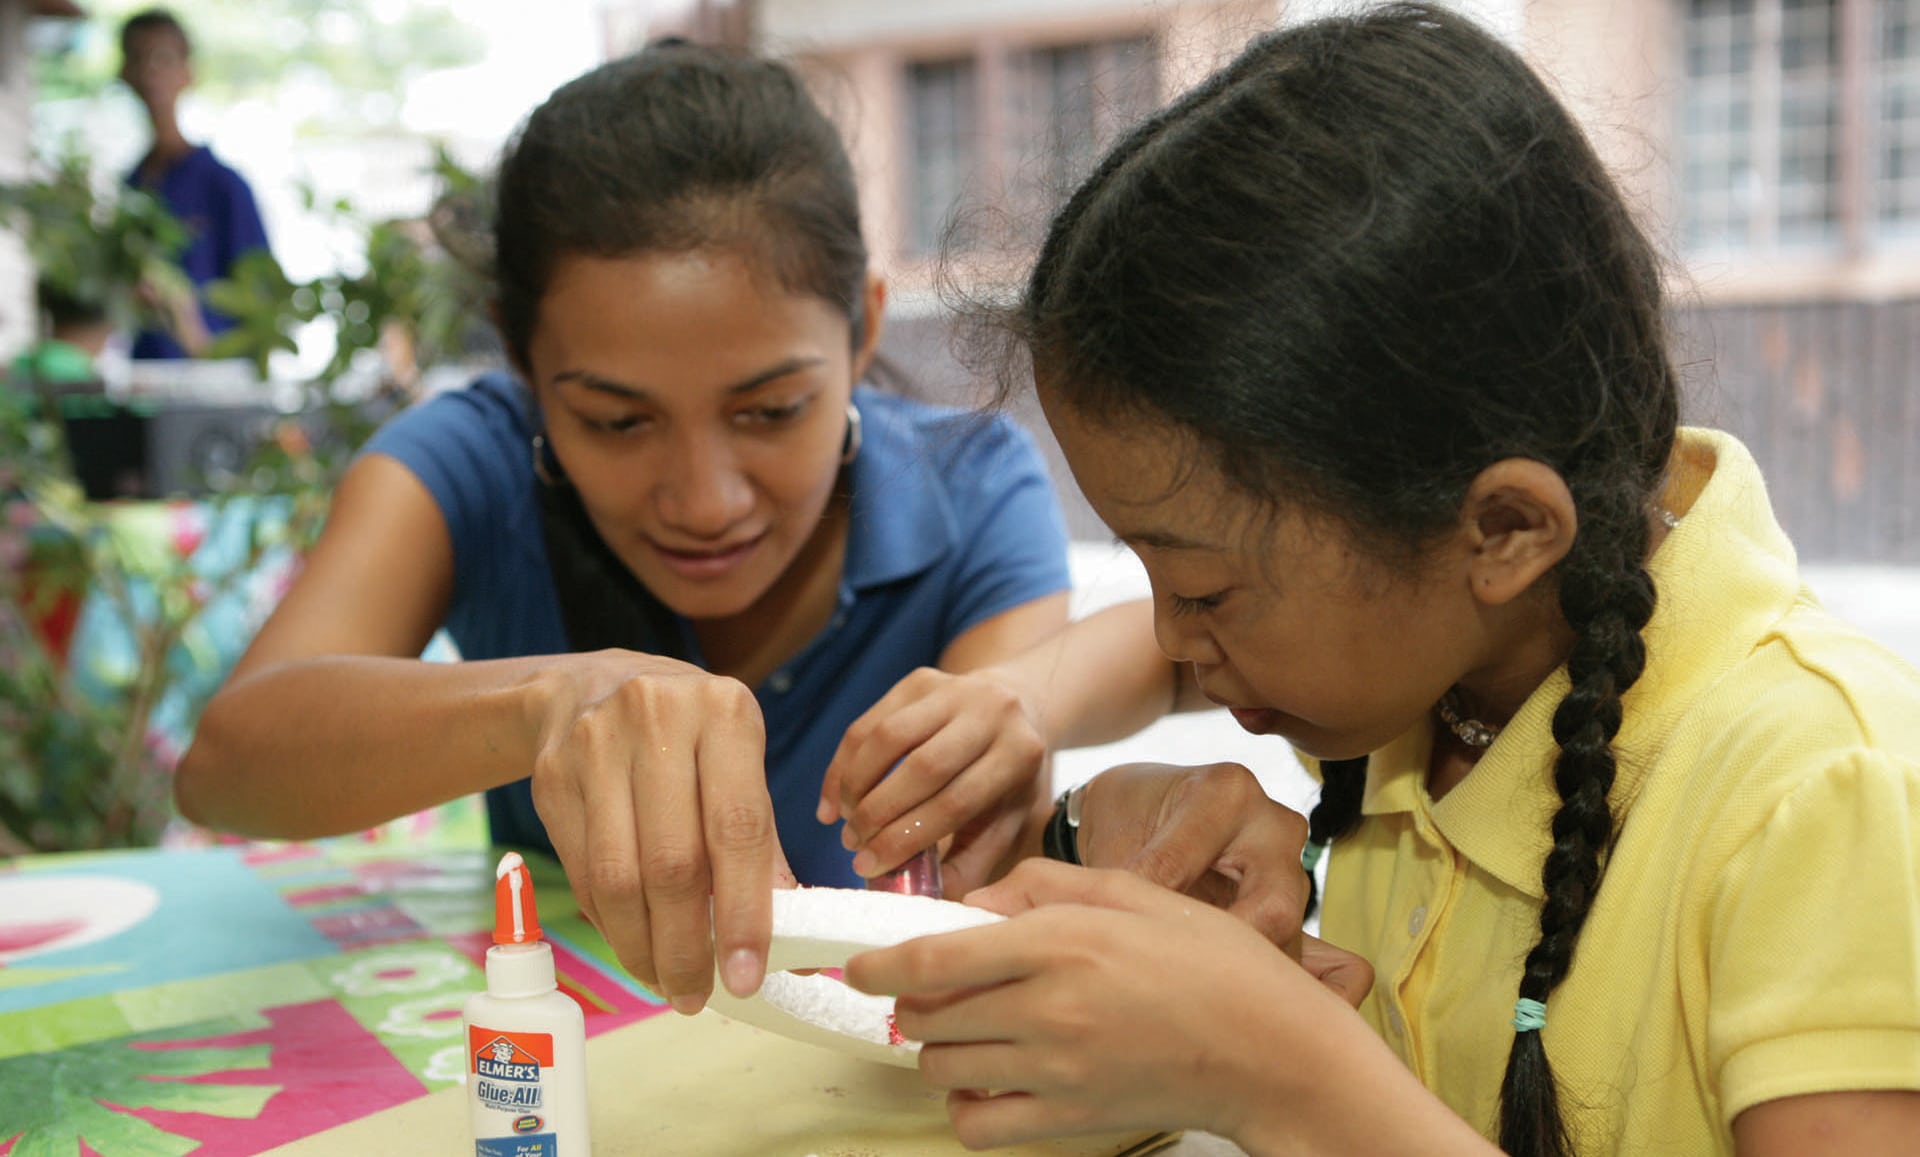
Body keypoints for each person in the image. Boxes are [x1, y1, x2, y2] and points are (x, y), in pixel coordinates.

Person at [845, 6, 1920, 1155]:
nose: (1173, 631)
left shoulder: (1822, 794)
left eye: (1204, 593)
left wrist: (1281, 1073)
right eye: (1148, 567)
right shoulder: (1451, 656)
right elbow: (1151, 661)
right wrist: (1025, 709)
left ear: (1503, 532)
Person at [174, 43, 1092, 1017]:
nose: (704, 501)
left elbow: (982, 863)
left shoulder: (976, 489)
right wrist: (548, 701)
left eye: (771, 409)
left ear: (863, 326)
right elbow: (230, 764)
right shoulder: (467, 461)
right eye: (617, 421)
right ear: (524, 358)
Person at [118, 7, 272, 359]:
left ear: (188, 73)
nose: (150, 73)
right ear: (124, 72)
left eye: (164, 59)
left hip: (216, 382)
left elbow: (263, 308)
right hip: (146, 376)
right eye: (138, 59)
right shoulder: (130, 186)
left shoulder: (224, 185)